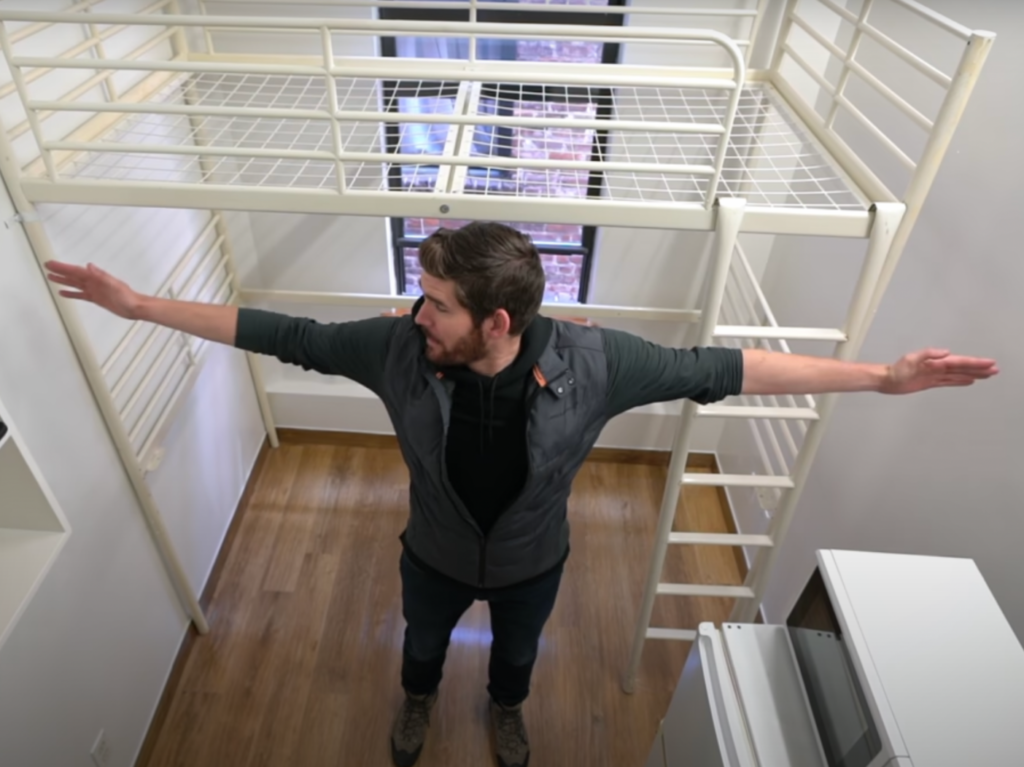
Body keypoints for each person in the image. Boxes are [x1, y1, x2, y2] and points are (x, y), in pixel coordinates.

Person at [44, 221, 997, 767]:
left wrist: (879, 378)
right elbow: (276, 329)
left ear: (496, 320)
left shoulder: (597, 362)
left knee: (520, 650)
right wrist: (139, 306)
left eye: (437, 304)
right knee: (421, 641)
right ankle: (418, 700)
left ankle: (506, 707)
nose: (416, 313)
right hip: (434, 556)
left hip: (536, 561)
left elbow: (728, 368)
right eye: (421, 296)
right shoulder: (395, 352)